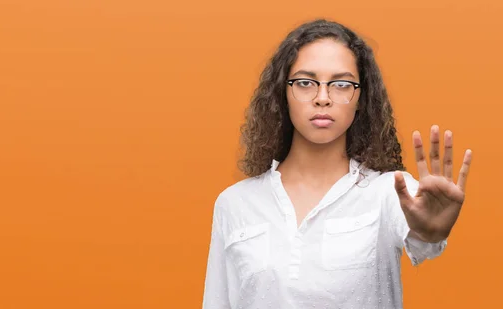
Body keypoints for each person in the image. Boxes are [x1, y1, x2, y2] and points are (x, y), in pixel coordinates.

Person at [201, 18, 472, 309]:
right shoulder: (234, 204)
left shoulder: (391, 191)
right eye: (305, 83)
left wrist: (430, 232)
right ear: (283, 93)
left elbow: (424, 240)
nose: (322, 98)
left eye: (341, 84)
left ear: (360, 99)